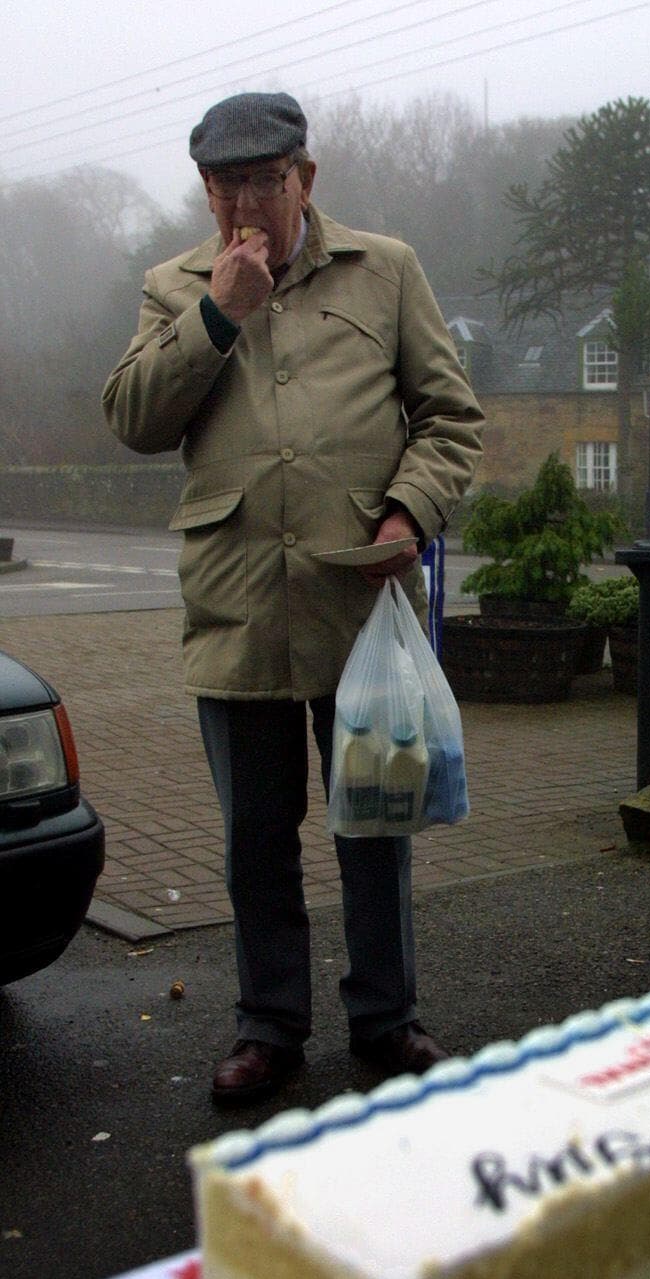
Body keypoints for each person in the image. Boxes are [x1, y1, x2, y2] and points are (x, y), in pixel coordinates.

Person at [103, 91, 483, 1104]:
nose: (243, 204)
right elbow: (135, 418)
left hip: (359, 611)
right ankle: (268, 1027)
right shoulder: (174, 287)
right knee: (254, 844)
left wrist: (408, 512)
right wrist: (219, 310)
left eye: (263, 181)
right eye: (225, 184)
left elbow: (450, 417)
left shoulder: (385, 269)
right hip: (235, 611)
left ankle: (385, 1017)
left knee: (375, 827)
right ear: (205, 190)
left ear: (304, 181)